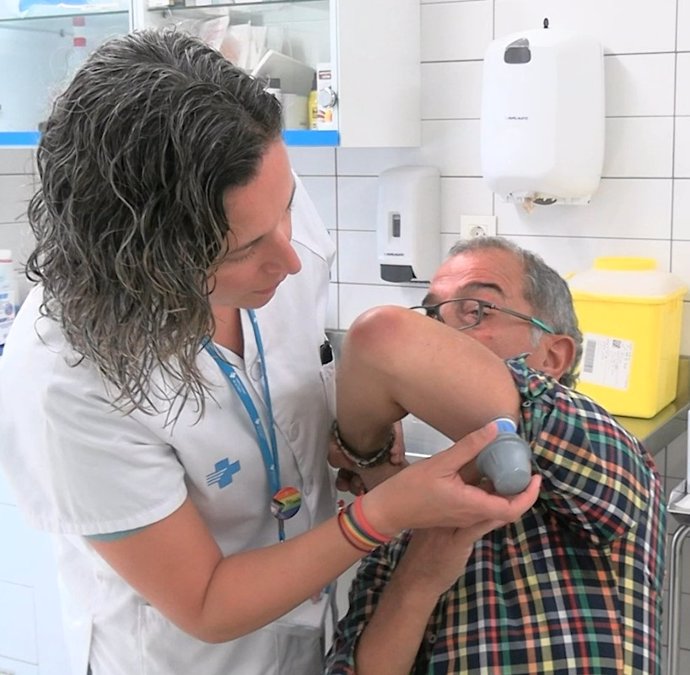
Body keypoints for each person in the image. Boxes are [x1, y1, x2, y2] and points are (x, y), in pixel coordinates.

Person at [0, 31, 542, 675]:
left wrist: (352, 428)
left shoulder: (254, 192)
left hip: (305, 637)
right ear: (141, 260)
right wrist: (385, 514)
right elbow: (205, 603)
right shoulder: (67, 376)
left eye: (286, 210)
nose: (289, 257)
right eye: (241, 251)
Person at [325, 237, 665, 675]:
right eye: (432, 315)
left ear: (553, 356)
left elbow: (383, 338)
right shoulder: (415, 508)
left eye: (476, 311)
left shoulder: (606, 450)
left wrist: (367, 452)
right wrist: (419, 579)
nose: (440, 333)